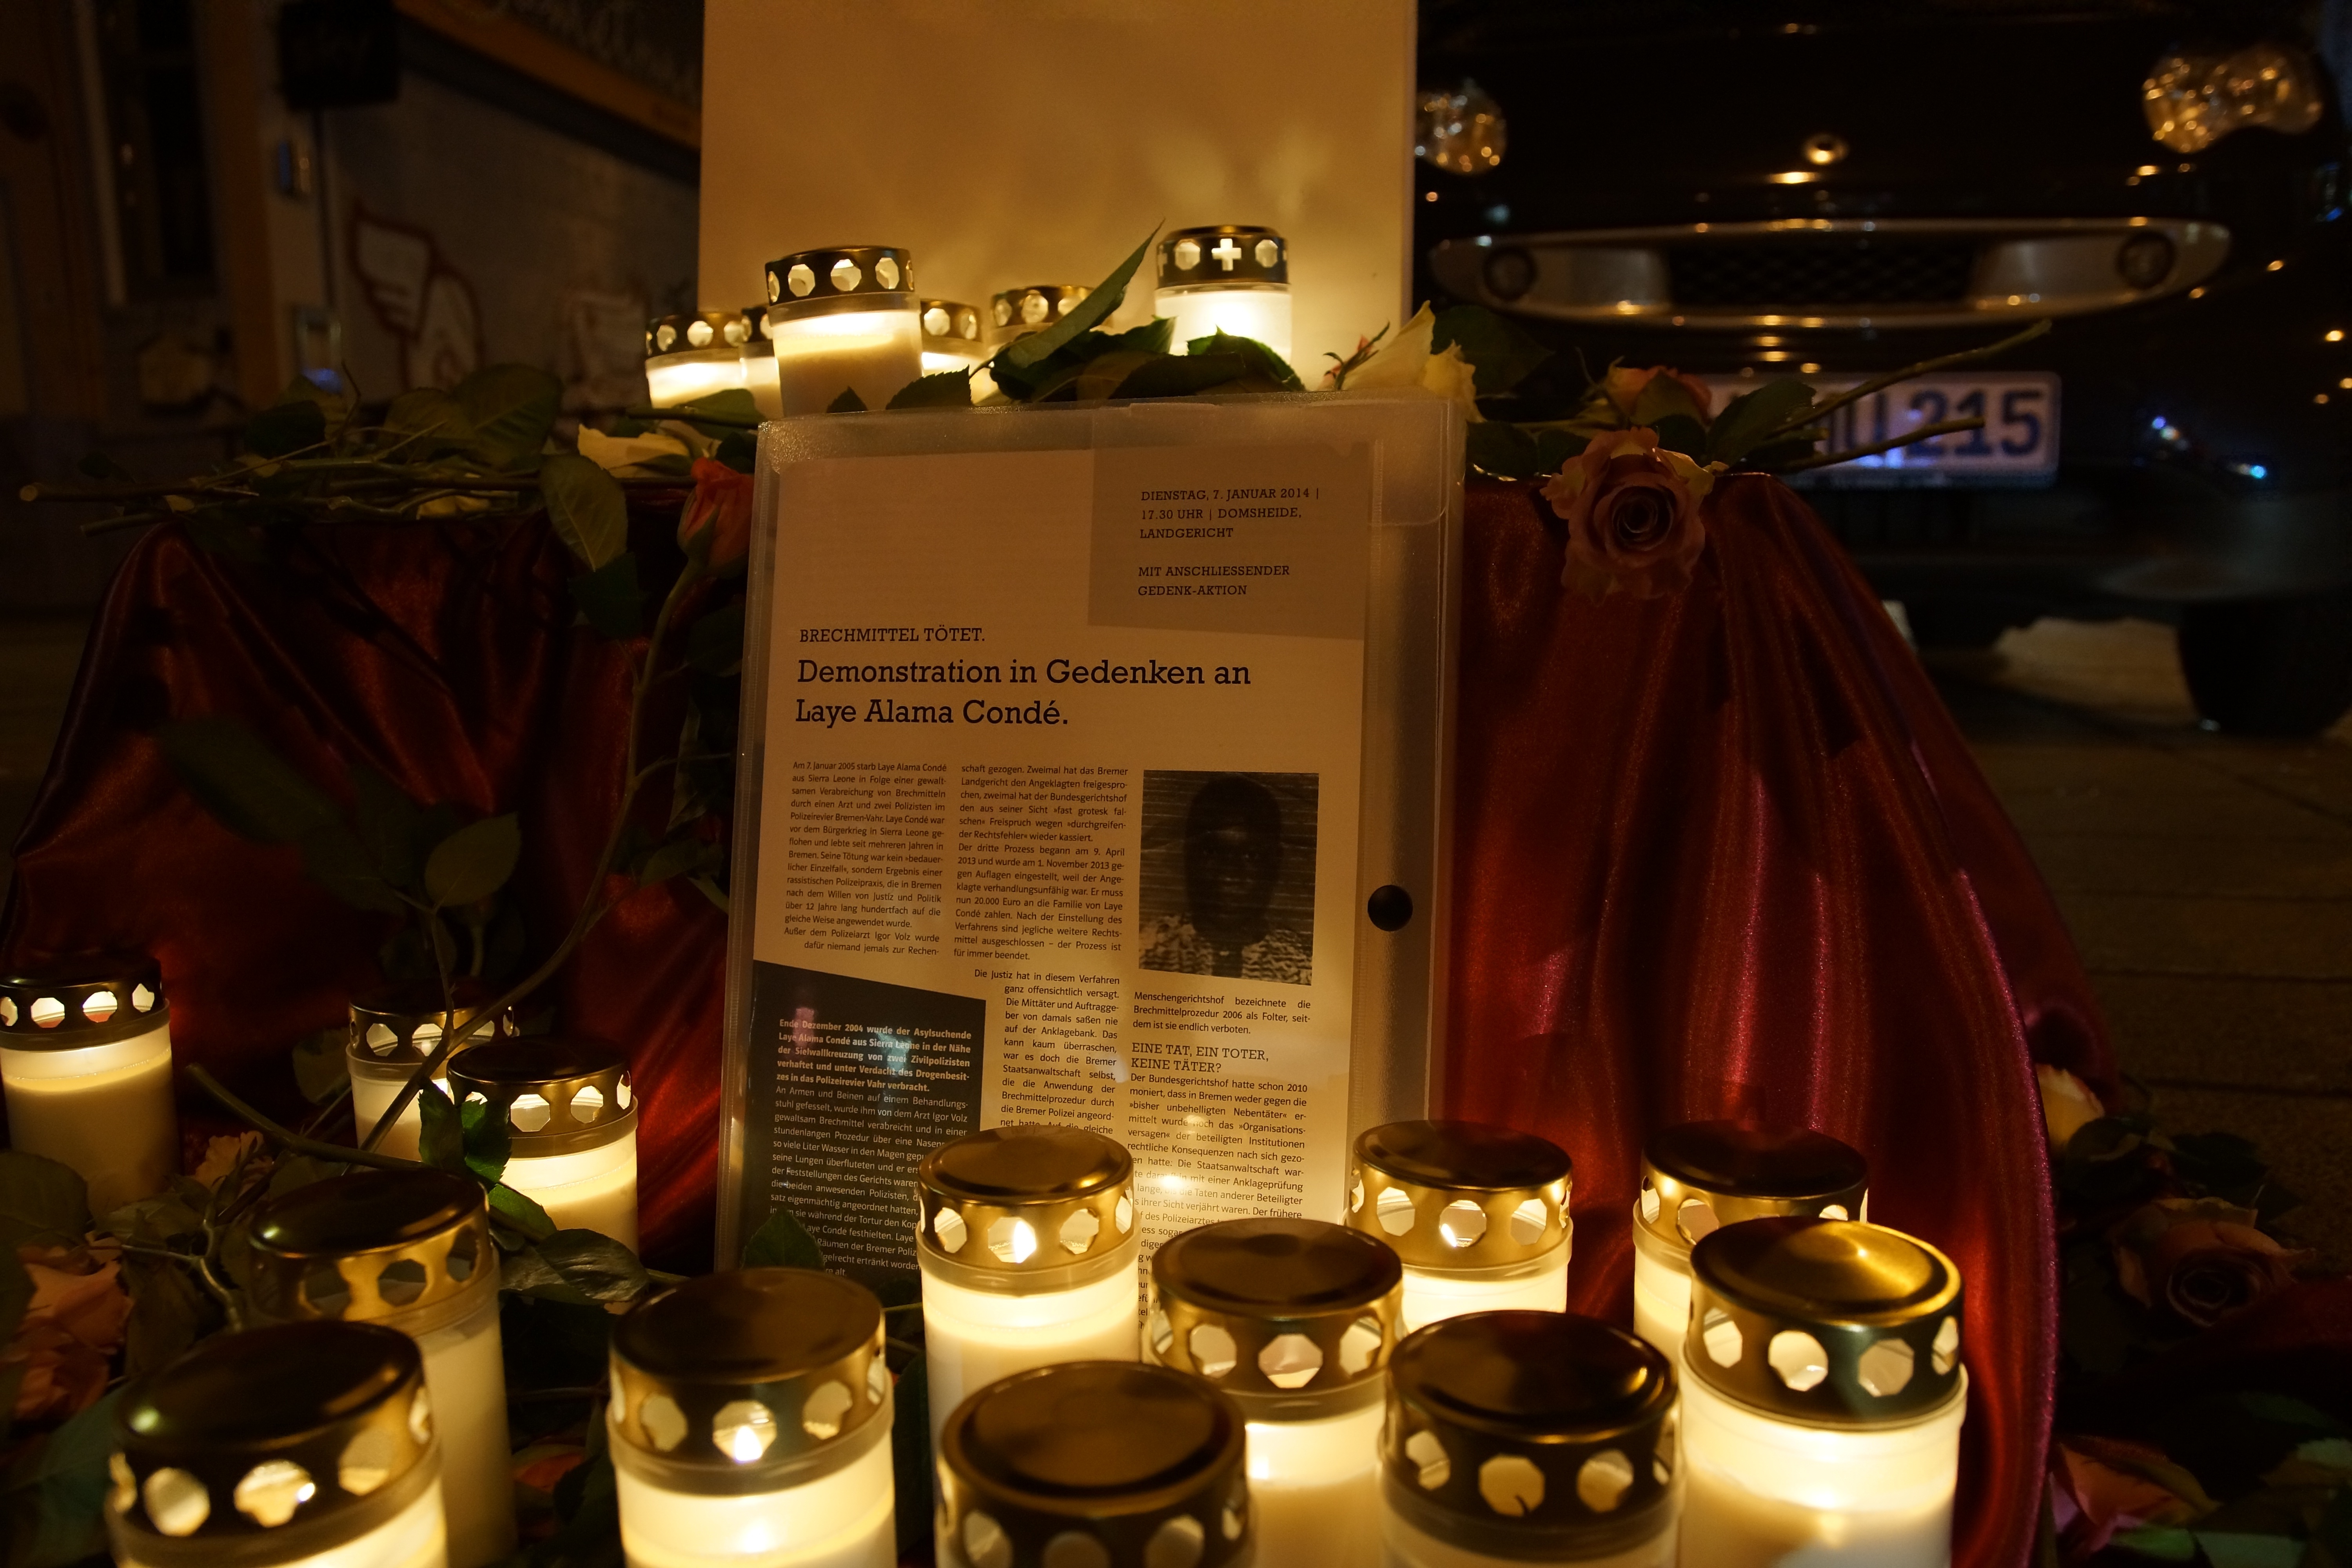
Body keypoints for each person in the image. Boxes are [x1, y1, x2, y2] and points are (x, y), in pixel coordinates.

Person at [1138, 775, 1311, 982]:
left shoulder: (1301, 965)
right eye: (1211, 852)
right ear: (1188, 857)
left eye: (1251, 856)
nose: (1229, 876)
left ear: (1275, 864)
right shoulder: (1147, 948)